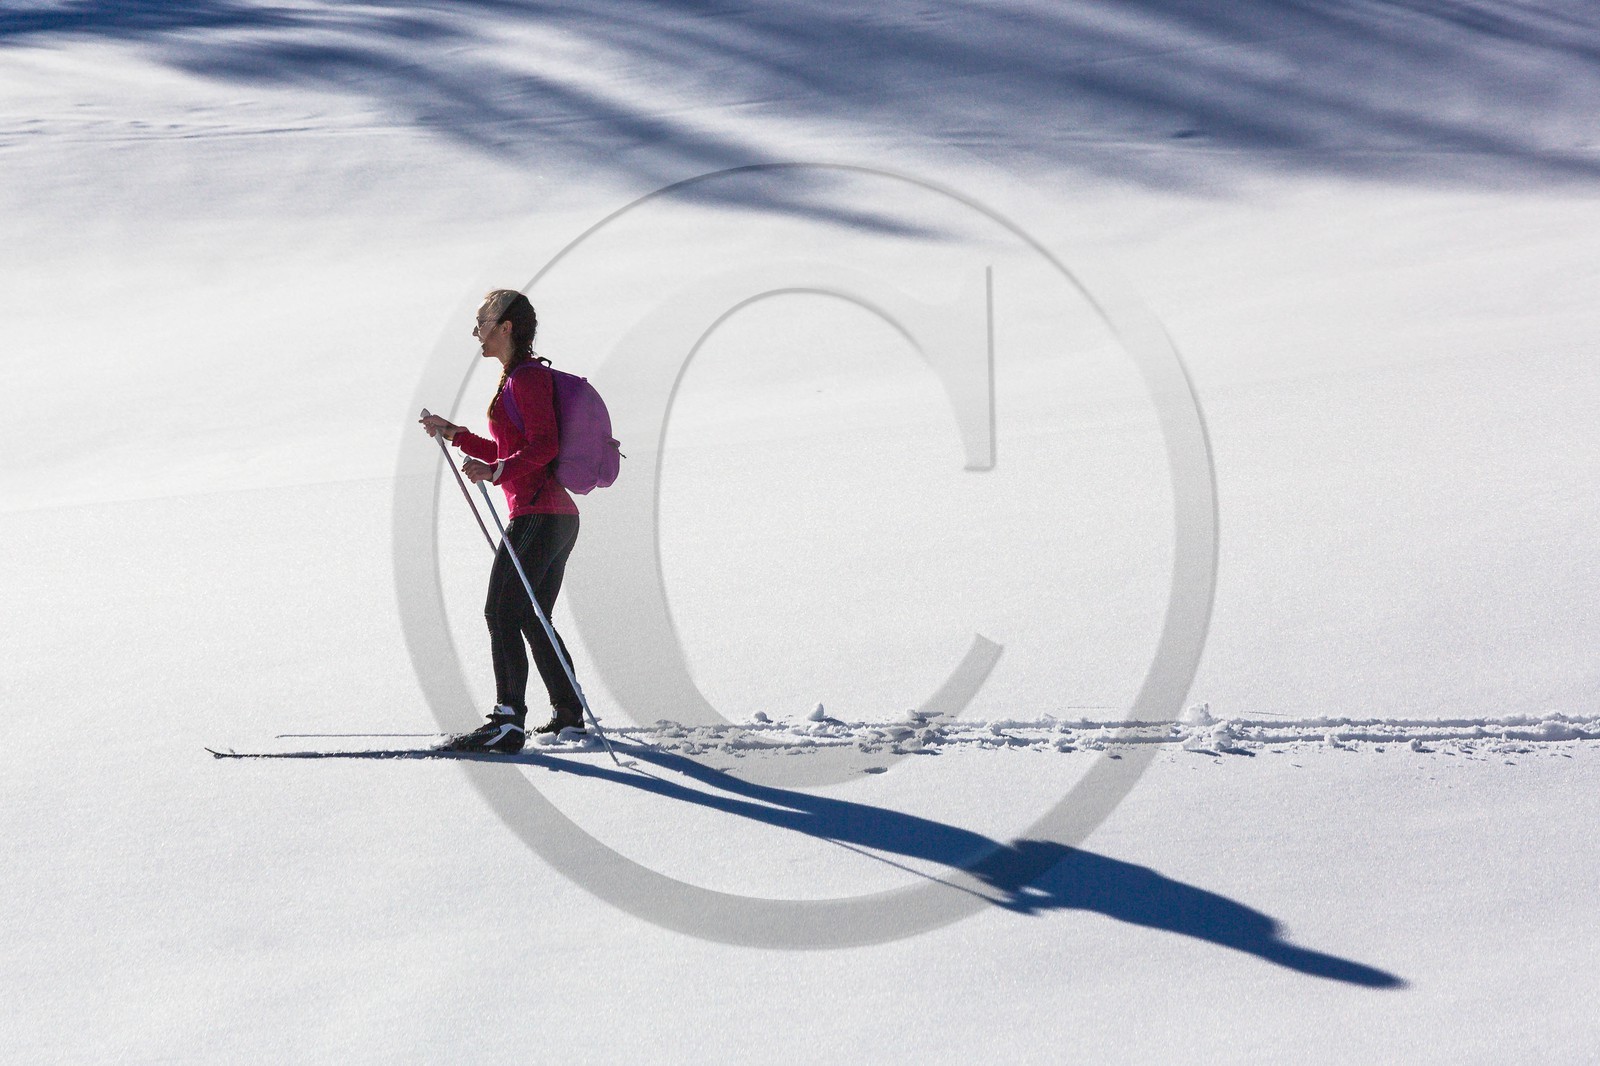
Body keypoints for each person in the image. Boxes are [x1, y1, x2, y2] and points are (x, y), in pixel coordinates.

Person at [419, 290, 584, 754]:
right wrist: (457, 435)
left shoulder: (527, 379)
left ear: (506, 326)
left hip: (538, 513)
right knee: (532, 617)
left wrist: (498, 473)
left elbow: (545, 446)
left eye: (482, 323)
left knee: (501, 612)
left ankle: (507, 723)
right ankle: (568, 714)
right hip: (555, 515)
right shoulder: (517, 379)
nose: (477, 334)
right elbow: (510, 450)